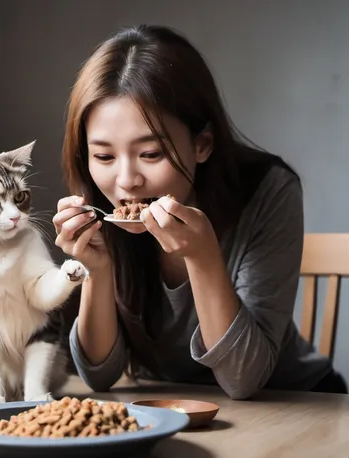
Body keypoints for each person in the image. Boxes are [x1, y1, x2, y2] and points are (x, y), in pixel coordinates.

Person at [52, 24, 347, 399]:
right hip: (172, 405)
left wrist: (203, 256)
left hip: (296, 401)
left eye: (151, 154)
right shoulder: (101, 203)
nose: (126, 181)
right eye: (104, 156)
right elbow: (99, 376)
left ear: (202, 144)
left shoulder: (269, 191)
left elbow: (244, 380)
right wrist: (97, 269)